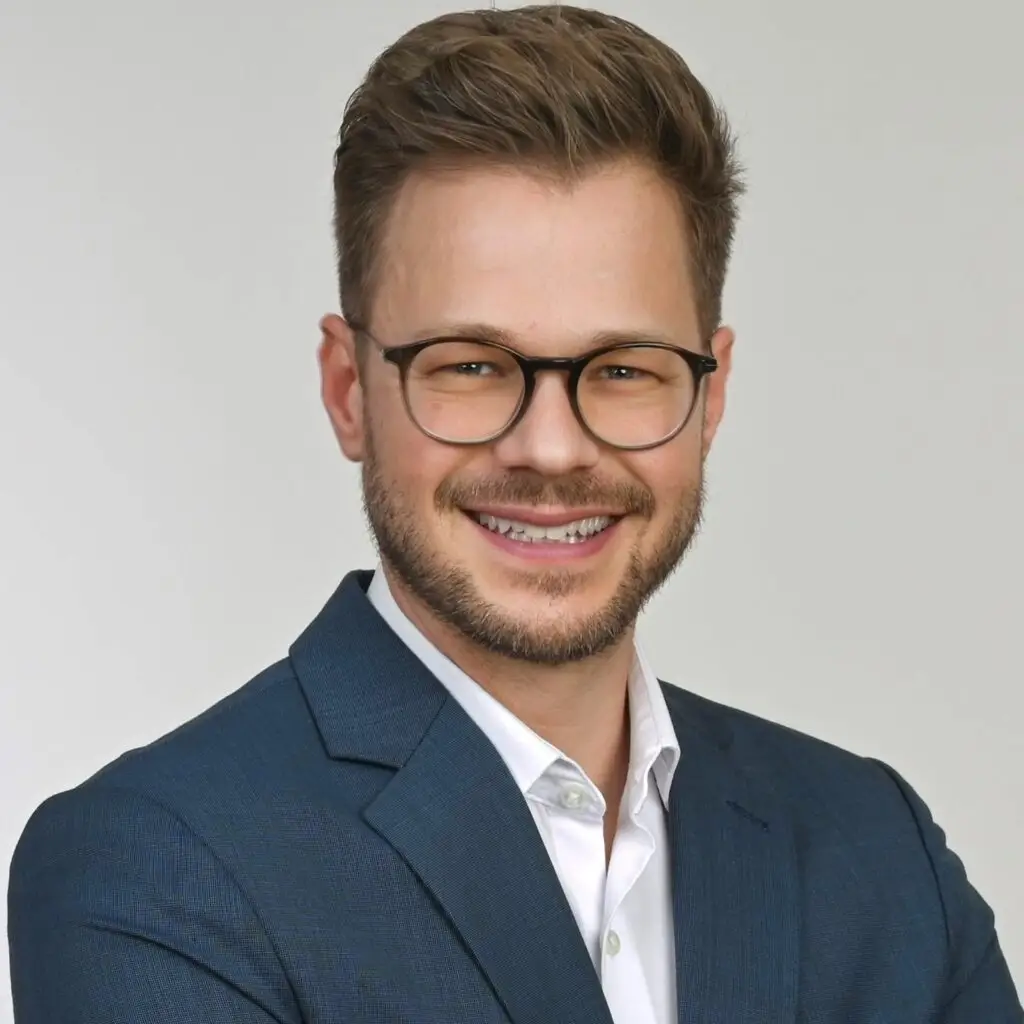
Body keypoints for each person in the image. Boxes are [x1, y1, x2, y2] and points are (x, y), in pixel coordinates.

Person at [7, 5, 1022, 1022]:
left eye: (623, 369)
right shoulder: (152, 869)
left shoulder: (878, 851)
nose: (551, 447)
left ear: (709, 399)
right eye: (471, 366)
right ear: (349, 390)